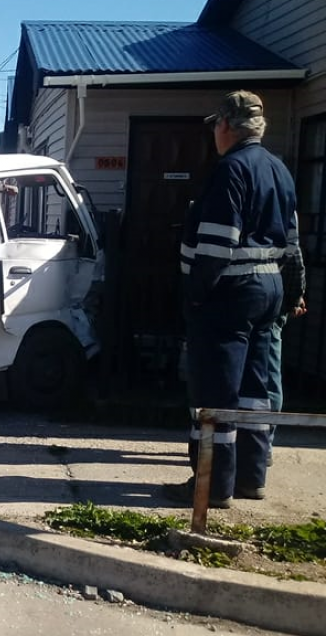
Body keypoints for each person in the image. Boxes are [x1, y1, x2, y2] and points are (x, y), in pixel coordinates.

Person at [163, 91, 296, 509]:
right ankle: (251, 478)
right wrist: (294, 293)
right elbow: (292, 244)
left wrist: (195, 296)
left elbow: (216, 246)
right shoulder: (278, 169)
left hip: (230, 294)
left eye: (215, 127)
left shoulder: (230, 170)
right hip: (269, 291)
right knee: (256, 388)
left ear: (225, 126)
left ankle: (212, 487)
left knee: (215, 392)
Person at [266, 215, 308, 466]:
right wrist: (295, 296)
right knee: (269, 372)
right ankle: (262, 444)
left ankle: (225, 442)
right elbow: (293, 254)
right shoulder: (283, 196)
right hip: (274, 293)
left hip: (239, 294)